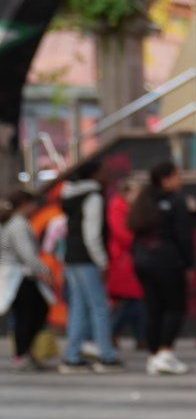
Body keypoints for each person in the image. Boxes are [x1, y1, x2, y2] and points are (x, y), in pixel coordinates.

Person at [57, 158, 124, 373]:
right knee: (99, 307)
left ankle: (72, 355)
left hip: (72, 258)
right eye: (104, 170)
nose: (108, 174)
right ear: (94, 174)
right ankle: (106, 355)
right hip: (87, 259)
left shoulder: (71, 195)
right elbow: (92, 234)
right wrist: (102, 262)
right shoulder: (94, 196)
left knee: (78, 307)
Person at [128, 161, 195, 375]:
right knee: (175, 306)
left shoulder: (143, 200)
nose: (180, 180)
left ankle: (154, 354)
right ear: (165, 179)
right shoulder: (177, 201)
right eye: (177, 175)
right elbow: (183, 236)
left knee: (153, 308)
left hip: (143, 261)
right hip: (168, 261)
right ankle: (165, 352)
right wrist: (189, 264)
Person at [1, 189, 54, 370]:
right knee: (30, 314)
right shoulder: (18, 224)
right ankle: (22, 354)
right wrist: (44, 270)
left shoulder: (13, 222)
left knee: (30, 313)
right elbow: (27, 254)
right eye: (33, 203)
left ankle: (24, 352)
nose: (35, 207)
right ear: (24, 204)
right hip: (21, 276)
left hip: (17, 275)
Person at [106, 175, 146, 354]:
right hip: (123, 260)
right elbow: (122, 234)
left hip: (128, 259)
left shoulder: (127, 207)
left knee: (134, 300)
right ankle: (116, 332)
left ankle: (139, 337)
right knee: (132, 300)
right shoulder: (118, 207)